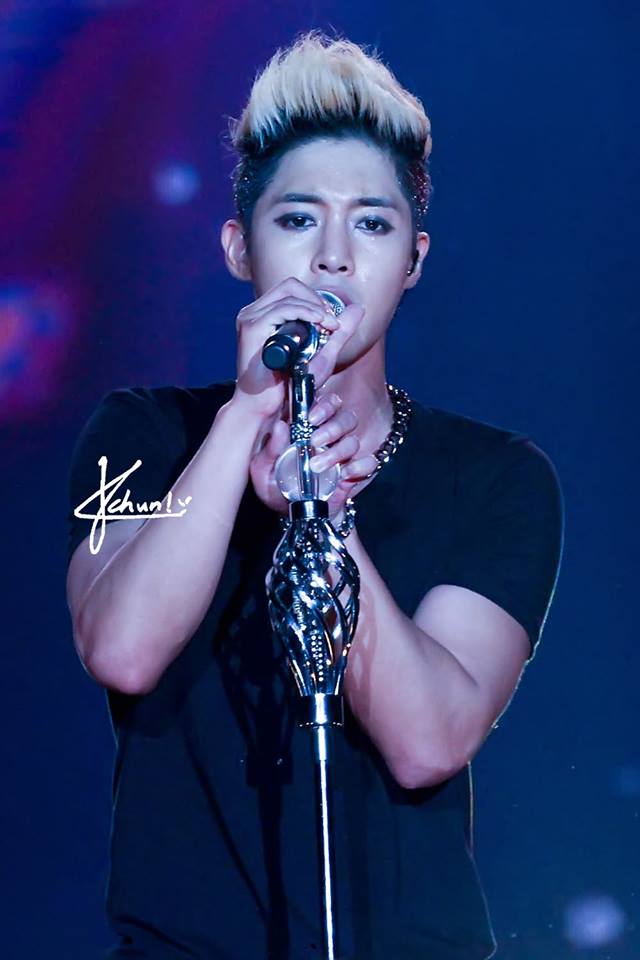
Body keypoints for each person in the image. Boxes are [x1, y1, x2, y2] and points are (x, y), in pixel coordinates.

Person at [66, 32, 564, 960]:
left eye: (371, 225)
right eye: (298, 219)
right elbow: (122, 649)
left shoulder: (498, 476)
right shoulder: (143, 434)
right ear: (237, 247)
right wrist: (243, 421)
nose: (333, 259)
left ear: (413, 259)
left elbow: (429, 739)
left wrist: (328, 521)